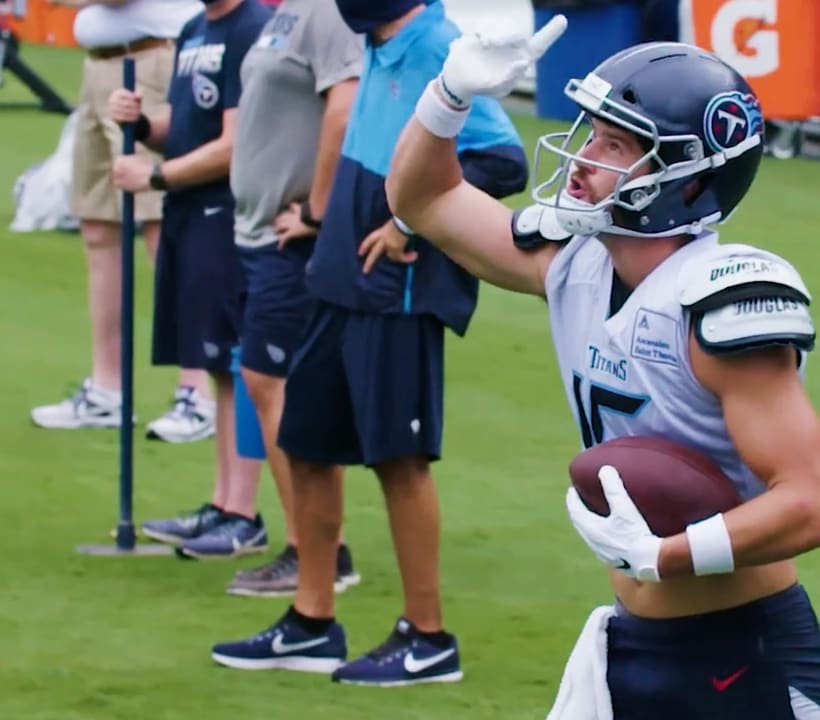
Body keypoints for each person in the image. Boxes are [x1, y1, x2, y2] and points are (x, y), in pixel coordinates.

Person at [383, 19, 820, 719]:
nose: (583, 157)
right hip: (631, 640)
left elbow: (814, 505)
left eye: (616, 144)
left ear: (687, 180)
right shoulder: (574, 264)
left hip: (741, 654)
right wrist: (447, 96)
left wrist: (666, 556)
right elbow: (425, 201)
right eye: (592, 134)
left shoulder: (719, 303)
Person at [209, 0, 529, 686]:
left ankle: (429, 637)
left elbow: (503, 160)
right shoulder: (378, 46)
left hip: (396, 292)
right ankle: (312, 622)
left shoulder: (439, 45)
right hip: (339, 279)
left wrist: (408, 227)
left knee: (398, 459)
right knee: (307, 445)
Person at [106, 0, 274, 554]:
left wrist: (155, 175)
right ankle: (223, 503)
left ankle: (243, 511)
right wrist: (144, 123)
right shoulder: (194, 29)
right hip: (189, 213)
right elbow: (185, 126)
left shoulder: (251, 27)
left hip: (224, 213)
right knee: (216, 365)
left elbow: (234, 143)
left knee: (234, 360)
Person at [217, 0, 362, 590]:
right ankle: (311, 547)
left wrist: (319, 210)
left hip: (290, 243)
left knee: (277, 387)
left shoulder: (326, 12)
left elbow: (345, 106)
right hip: (258, 236)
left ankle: (316, 552)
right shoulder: (285, 13)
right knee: (268, 386)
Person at [32, 0, 204, 436]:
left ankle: (197, 390)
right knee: (98, 225)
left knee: (158, 223)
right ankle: (108, 391)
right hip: (100, 68)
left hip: (147, 64)